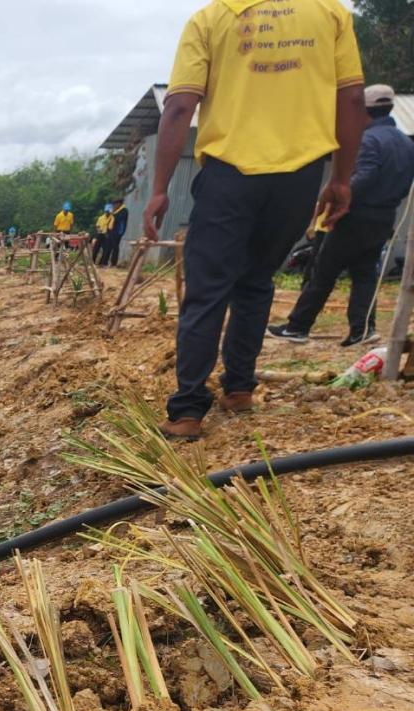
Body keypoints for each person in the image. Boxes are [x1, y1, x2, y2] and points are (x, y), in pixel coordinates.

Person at [146, 0, 368, 439]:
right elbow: (353, 98)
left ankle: (188, 410)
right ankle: (239, 388)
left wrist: (159, 188)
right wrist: (341, 178)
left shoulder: (210, 19)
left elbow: (178, 107)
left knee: (208, 289)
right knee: (257, 279)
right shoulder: (328, 13)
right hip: (299, 175)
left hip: (230, 174)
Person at [268, 84, 414, 347]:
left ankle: (298, 327)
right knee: (365, 273)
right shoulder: (405, 142)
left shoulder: (368, 140)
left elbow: (365, 175)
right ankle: (362, 329)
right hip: (384, 217)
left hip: (355, 215)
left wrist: (338, 193)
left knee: (323, 270)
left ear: (364, 112)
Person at [107, 199, 129, 267]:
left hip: (118, 231)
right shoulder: (116, 211)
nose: (114, 206)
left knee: (115, 247)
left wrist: (113, 213)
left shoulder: (124, 210)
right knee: (109, 246)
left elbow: (118, 219)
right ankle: (107, 262)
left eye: (115, 204)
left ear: (119, 204)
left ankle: (114, 263)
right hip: (112, 230)